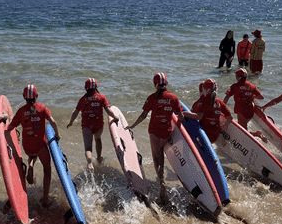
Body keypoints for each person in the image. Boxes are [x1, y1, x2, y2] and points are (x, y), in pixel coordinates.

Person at [125, 73, 183, 202]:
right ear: (166, 84)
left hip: (154, 131)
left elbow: (143, 115)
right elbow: (181, 116)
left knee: (156, 157)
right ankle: (161, 179)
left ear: (155, 84)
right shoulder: (174, 98)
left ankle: (162, 183)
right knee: (161, 152)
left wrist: (132, 126)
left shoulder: (152, 98)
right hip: (167, 131)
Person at [7, 85, 59, 207]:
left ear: (23, 97)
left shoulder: (21, 111)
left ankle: (30, 164)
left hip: (27, 146)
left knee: (32, 154)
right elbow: (53, 122)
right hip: (40, 145)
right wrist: (57, 134)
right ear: (36, 96)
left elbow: (10, 127)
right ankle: (45, 199)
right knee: (47, 168)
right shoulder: (42, 108)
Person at [66, 78, 119, 171]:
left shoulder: (82, 99)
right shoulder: (101, 97)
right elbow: (108, 111)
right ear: (96, 87)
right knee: (98, 138)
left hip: (87, 125)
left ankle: (89, 163)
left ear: (86, 88)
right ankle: (99, 158)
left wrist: (71, 122)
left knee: (88, 147)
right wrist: (115, 117)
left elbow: (76, 112)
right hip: (98, 125)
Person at [183, 79, 233, 144]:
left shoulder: (203, 101)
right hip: (215, 135)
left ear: (205, 89)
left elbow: (198, 117)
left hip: (204, 135)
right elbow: (230, 117)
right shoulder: (220, 102)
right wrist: (225, 125)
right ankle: (222, 140)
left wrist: (185, 113)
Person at [223, 68, 266, 141]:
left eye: (236, 76)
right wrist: (252, 96)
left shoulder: (235, 86)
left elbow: (227, 97)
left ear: (239, 77)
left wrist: (222, 108)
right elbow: (261, 97)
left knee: (243, 132)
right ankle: (255, 135)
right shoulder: (252, 86)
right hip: (250, 111)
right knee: (243, 128)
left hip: (241, 110)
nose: (236, 77)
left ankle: (256, 134)